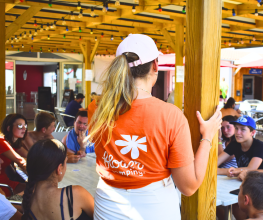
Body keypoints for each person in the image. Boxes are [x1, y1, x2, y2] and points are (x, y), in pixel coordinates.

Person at [88, 34, 222, 220]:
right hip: (156, 209)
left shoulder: (96, 108)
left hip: (107, 207)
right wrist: (207, 136)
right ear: (155, 66)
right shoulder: (170, 115)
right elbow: (189, 186)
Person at [21, 139, 94, 220]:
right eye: (66, 162)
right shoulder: (74, 195)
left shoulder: (27, 200)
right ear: (59, 169)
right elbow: (104, 215)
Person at [0, 114, 27, 196]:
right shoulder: (2, 142)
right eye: (20, 126)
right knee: (34, 190)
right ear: (8, 128)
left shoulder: (14, 143)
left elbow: (30, 156)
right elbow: (21, 161)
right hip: (2, 185)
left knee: (33, 189)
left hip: (7, 181)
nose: (24, 129)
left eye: (25, 125)